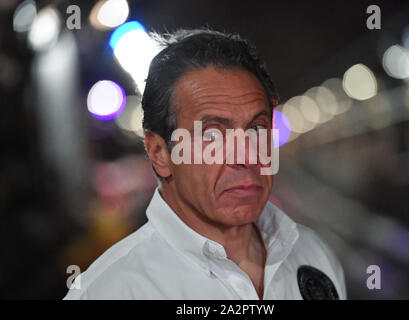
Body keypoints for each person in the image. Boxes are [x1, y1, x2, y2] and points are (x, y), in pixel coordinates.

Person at [64, 29, 346, 300]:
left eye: (256, 129)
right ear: (160, 153)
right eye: (212, 135)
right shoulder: (109, 292)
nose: (245, 156)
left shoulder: (314, 257)